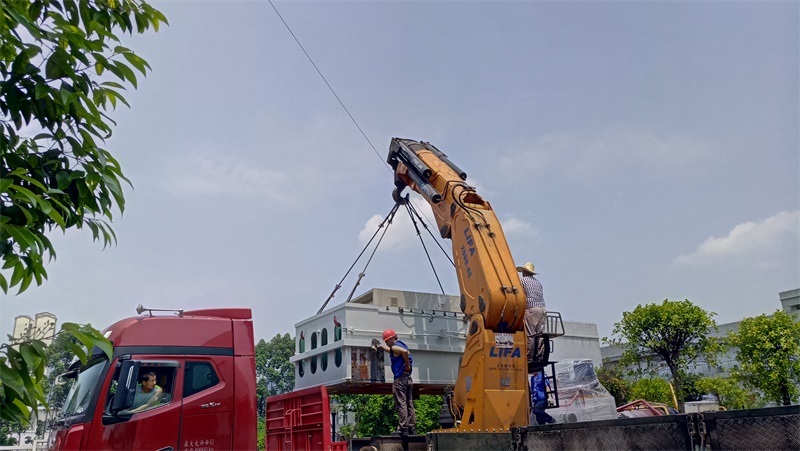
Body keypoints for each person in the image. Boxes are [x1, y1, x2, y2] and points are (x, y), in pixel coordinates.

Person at [377, 329, 416, 435]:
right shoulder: (401, 345)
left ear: (391, 339)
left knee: (401, 403)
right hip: (408, 379)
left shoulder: (395, 347)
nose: (386, 343)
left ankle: (403, 428)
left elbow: (402, 352)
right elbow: (396, 351)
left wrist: (407, 365)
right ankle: (411, 427)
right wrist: (381, 347)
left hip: (400, 379)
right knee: (409, 403)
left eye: (386, 341)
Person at [517, 261, 547, 363]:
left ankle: (529, 358)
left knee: (530, 334)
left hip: (531, 309)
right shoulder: (538, 283)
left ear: (525, 272)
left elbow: (517, 293)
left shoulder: (522, 281)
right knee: (539, 334)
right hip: (542, 309)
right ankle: (539, 356)